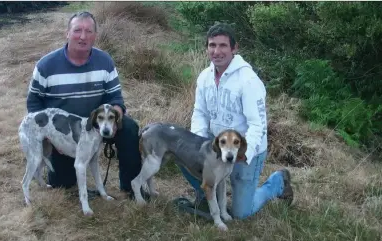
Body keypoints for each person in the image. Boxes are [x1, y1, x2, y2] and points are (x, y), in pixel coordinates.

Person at [25, 11, 148, 199]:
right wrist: (50, 135)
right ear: (67, 33)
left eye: (89, 31)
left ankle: (131, 188)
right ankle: (60, 174)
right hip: (64, 131)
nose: (83, 36)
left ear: (95, 36)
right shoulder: (45, 66)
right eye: (77, 30)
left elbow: (116, 97)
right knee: (63, 184)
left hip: (97, 124)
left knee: (130, 128)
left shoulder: (105, 61)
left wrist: (115, 118)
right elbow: (34, 104)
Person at [177, 22, 294, 219]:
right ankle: (206, 195)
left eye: (223, 45)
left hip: (246, 150)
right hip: (218, 145)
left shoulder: (248, 81)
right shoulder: (204, 77)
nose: (217, 51)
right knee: (183, 154)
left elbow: (258, 125)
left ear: (234, 48)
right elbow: (199, 112)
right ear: (207, 48)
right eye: (212, 45)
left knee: (241, 213)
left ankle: (277, 183)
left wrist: (243, 154)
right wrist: (197, 144)